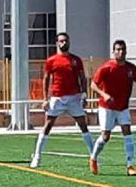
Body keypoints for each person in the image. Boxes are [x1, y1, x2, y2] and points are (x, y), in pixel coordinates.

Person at [29, 32, 96, 169]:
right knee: (48, 125)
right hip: (57, 98)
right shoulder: (51, 61)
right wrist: (45, 99)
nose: (64, 43)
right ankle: (37, 156)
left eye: (66, 41)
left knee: (83, 125)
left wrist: (84, 95)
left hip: (74, 97)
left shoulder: (76, 60)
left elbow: (82, 78)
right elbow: (46, 79)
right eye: (61, 41)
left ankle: (94, 156)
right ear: (57, 43)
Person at [88, 40, 136, 176]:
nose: (121, 52)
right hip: (106, 107)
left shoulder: (131, 68)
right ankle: (93, 158)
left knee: (127, 132)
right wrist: (104, 94)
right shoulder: (106, 68)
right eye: (118, 50)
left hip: (123, 108)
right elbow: (93, 85)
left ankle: (130, 165)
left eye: (123, 49)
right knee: (105, 137)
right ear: (113, 52)